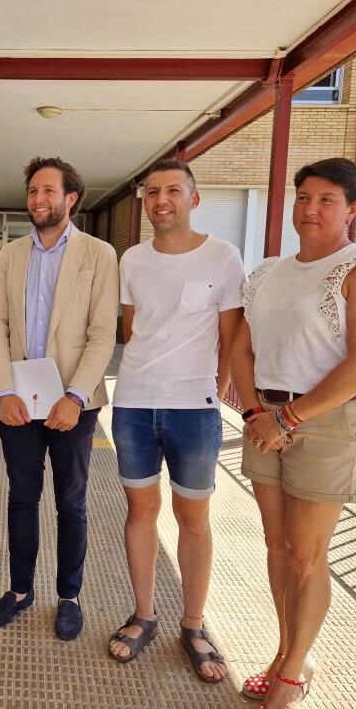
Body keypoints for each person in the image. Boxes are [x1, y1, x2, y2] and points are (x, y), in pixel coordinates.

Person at [232, 158, 356, 708]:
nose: (311, 209)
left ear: (353, 209)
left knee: (306, 555)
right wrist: (255, 413)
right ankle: (290, 651)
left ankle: (289, 675)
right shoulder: (268, 272)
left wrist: (288, 419)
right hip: (265, 417)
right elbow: (241, 348)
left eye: (327, 200)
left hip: (327, 423)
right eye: (304, 197)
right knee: (277, 548)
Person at [108, 159, 244, 681]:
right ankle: (144, 615)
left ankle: (194, 625)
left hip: (195, 410)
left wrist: (216, 392)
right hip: (134, 404)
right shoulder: (133, 259)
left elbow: (231, 338)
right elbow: (134, 330)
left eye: (172, 191)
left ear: (194, 198)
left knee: (193, 519)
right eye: (152, 192)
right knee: (141, 511)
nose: (160, 200)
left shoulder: (223, 257)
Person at [0, 156, 118, 641]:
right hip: (19, 401)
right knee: (22, 498)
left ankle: (69, 596)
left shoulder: (99, 254)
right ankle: (20, 590)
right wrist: (3, 391)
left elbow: (102, 333)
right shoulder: (11, 255)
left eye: (48, 191)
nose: (38, 200)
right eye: (32, 191)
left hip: (72, 404)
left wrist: (75, 396)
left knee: (71, 502)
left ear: (70, 199)